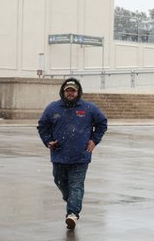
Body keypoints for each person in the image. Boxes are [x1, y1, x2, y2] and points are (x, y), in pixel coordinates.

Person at [37, 77, 108, 230]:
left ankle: (72, 214)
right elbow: (42, 126)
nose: (70, 93)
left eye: (73, 91)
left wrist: (94, 140)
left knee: (76, 185)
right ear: (63, 92)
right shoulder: (53, 108)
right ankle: (72, 201)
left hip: (80, 156)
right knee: (60, 182)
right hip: (59, 155)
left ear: (78, 92)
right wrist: (48, 141)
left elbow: (102, 123)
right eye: (67, 91)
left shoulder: (89, 108)